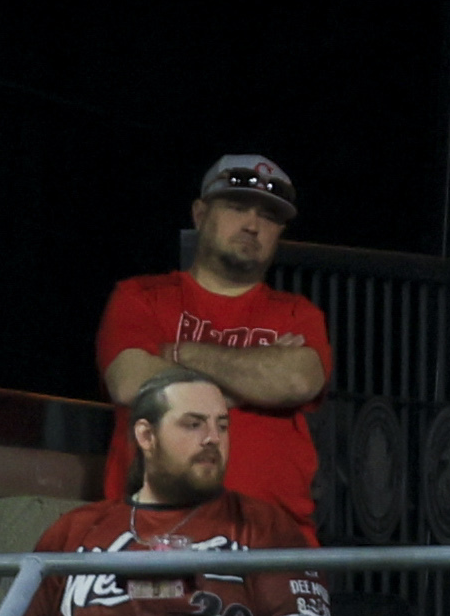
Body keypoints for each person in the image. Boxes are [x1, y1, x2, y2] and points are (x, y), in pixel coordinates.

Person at [93, 150, 332, 529]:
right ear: (200, 215)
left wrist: (181, 354)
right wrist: (249, 383)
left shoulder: (298, 314)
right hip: (153, 535)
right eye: (237, 207)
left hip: (275, 540)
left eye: (269, 217)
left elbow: (298, 381)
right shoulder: (141, 297)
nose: (253, 225)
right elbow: (130, 382)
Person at [15, 371, 331, 616]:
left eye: (222, 425)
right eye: (193, 424)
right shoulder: (75, 529)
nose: (212, 438)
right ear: (146, 435)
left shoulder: (262, 524)